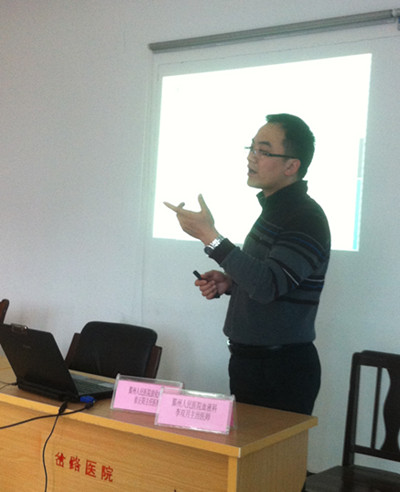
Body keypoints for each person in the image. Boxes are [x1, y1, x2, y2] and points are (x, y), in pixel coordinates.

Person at [164, 113, 330, 416]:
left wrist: (210, 237)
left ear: (291, 166)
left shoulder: (305, 217)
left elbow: (268, 286)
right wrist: (230, 282)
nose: (251, 157)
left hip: (281, 369)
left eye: (263, 151)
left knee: (273, 450)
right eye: (251, 148)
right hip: (251, 362)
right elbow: (267, 276)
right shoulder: (274, 210)